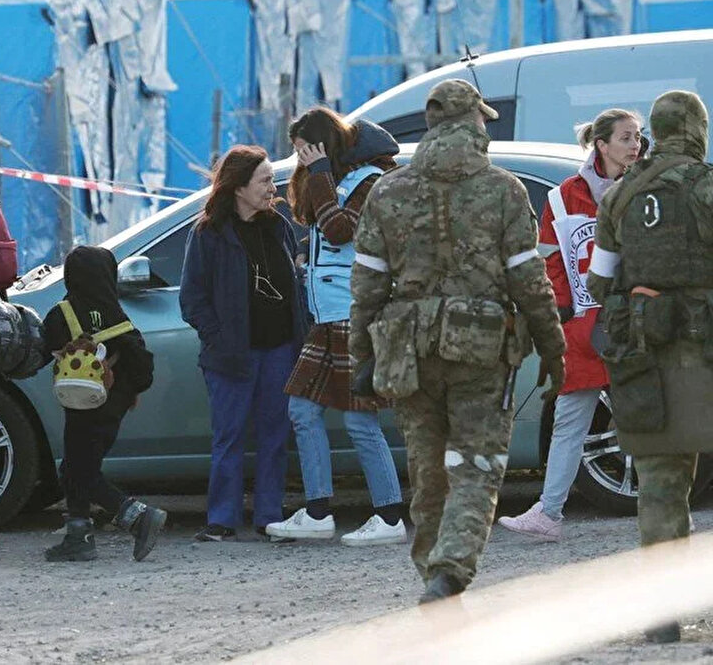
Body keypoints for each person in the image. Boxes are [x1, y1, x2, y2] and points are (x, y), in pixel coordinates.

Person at [350, 79, 565, 603]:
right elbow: (529, 281)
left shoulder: (388, 190)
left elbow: (367, 285)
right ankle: (450, 570)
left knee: (427, 471)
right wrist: (554, 350)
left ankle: (432, 576)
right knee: (475, 466)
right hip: (482, 349)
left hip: (410, 349)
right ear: (474, 122)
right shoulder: (503, 189)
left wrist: (364, 356)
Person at [587, 90, 713, 644]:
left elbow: (597, 282)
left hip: (644, 352)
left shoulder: (618, 196)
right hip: (705, 349)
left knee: (661, 483)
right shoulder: (707, 186)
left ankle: (663, 615)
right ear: (697, 129)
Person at [498, 109, 642, 541]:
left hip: (637, 319)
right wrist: (559, 307)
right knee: (570, 418)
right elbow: (552, 257)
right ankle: (550, 512)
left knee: (649, 416)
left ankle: (666, 507)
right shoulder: (562, 197)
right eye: (626, 137)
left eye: (638, 137)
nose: (635, 145)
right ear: (601, 144)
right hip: (585, 325)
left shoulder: (645, 186)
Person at [265, 108, 407, 546]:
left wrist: (321, 172)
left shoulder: (370, 181)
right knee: (302, 410)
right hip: (328, 315)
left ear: (323, 145)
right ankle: (318, 511)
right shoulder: (340, 180)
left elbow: (341, 229)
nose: (300, 159)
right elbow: (318, 225)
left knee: (360, 419)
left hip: (356, 314)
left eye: (304, 149)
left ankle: (389, 517)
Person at [180, 145, 307, 542]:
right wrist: (219, 339)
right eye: (265, 180)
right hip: (231, 356)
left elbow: (294, 281)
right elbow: (192, 299)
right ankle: (221, 519)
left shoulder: (278, 226)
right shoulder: (208, 234)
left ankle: (269, 516)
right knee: (229, 437)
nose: (274, 187)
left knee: (274, 435)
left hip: (279, 350)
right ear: (239, 187)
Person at [42, 246, 166, 562]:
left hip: (78, 408)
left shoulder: (62, 313)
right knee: (80, 467)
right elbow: (143, 367)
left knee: (77, 469)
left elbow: (43, 349)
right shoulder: (118, 317)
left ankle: (136, 516)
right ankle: (79, 534)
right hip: (111, 410)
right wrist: (129, 390)